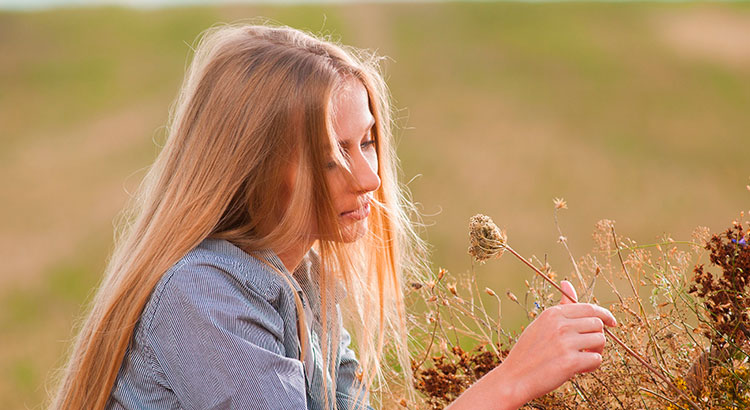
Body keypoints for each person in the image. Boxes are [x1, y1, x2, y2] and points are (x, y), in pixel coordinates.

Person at [51, 23, 616, 410]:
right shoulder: (203, 297)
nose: (369, 178)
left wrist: (533, 362)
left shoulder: (307, 283)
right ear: (253, 165)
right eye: (330, 156)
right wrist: (512, 380)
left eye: (367, 142)